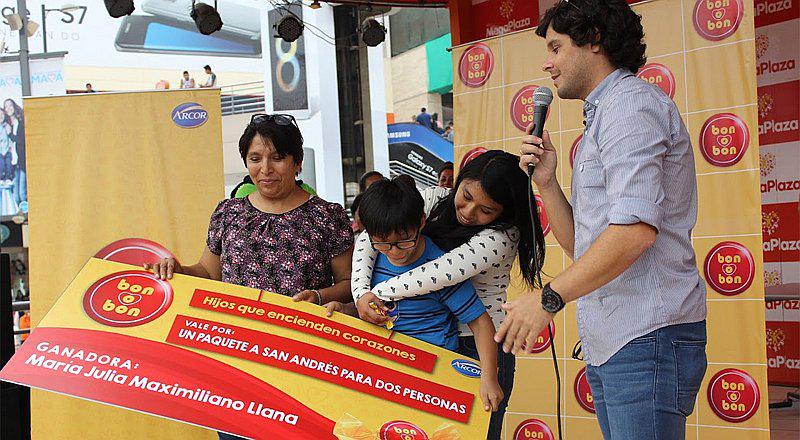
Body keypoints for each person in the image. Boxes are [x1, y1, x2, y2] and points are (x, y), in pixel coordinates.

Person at [499, 2, 707, 439]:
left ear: (593, 40)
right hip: (618, 337)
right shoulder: (605, 112)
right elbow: (585, 248)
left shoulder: (630, 107)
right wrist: (548, 183)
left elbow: (633, 234)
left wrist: (547, 299)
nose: (547, 63)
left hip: (646, 334)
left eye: (556, 47)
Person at [350, 150, 545, 440]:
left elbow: (437, 275)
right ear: (460, 181)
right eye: (466, 195)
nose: (468, 212)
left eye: (486, 210)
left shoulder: (503, 237)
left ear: (503, 212)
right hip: (427, 348)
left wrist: (373, 295)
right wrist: (359, 293)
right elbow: (373, 232)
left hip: (478, 349)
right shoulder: (434, 199)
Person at [329, 179, 503, 413]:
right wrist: (345, 309)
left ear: (421, 221)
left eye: (403, 241)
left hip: (433, 377)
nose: (394, 252)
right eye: (382, 243)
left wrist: (489, 378)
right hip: (386, 376)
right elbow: (369, 307)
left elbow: (480, 323)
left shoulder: (441, 267)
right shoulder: (371, 262)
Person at [3, 99, 25, 206]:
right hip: (13, 163)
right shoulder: (7, 124)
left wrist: (10, 134)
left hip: (22, 162)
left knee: (22, 193)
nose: (8, 108)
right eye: (6, 107)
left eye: (10, 105)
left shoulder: (21, 121)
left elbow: (22, 141)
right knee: (15, 196)